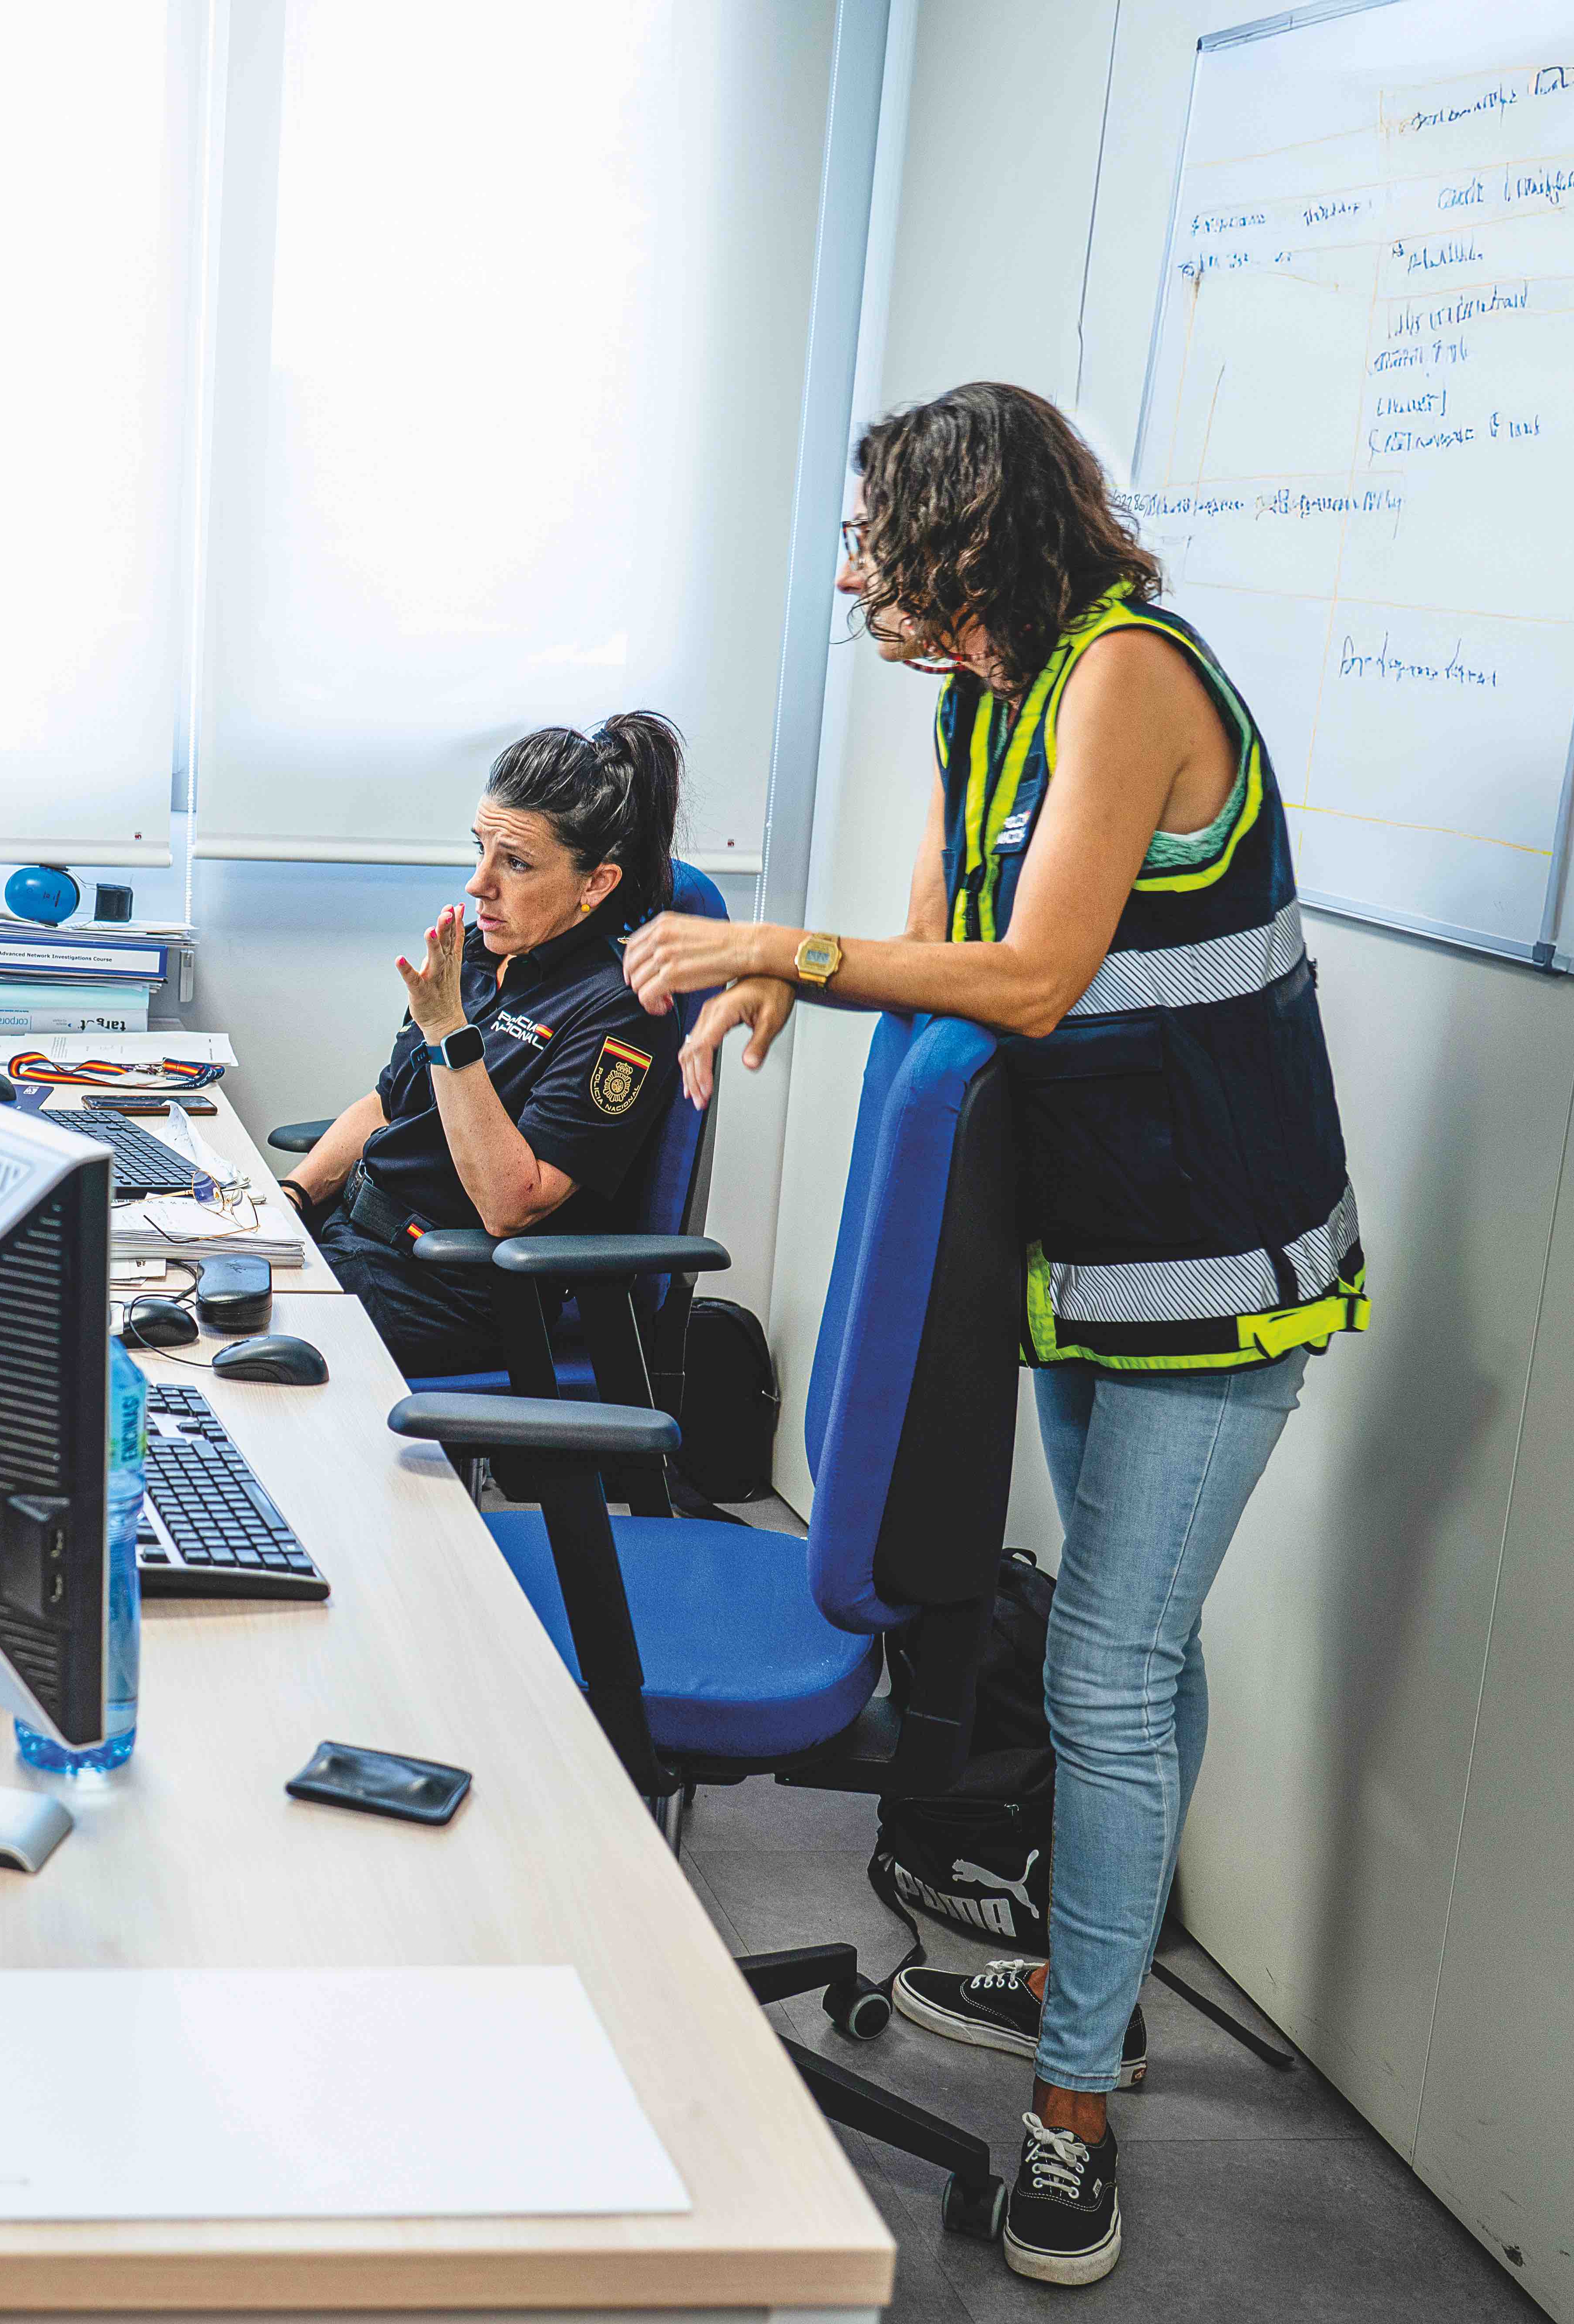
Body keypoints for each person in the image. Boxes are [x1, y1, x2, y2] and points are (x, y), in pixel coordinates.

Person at [619, 383, 1363, 2288]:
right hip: (1081, 1240)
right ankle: (1106, 1993)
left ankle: (1068, 2114)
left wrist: (769, 956)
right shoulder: (983, 700)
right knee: (1147, 1648)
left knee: (1106, 1673)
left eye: (879, 531)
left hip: (1213, 1255)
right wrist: (767, 1001)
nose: (853, 567)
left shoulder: (1125, 676)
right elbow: (945, 923)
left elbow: (1028, 979)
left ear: (964, 537)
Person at [277, 715, 687, 1375]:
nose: (478, 884)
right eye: (481, 850)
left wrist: (448, 1033)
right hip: (355, 1239)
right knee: (178, 1279)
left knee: (212, 1339)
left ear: (596, 884)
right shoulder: (474, 954)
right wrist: (290, 1199)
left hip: (450, 1291)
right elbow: (387, 1108)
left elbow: (512, 1203)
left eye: (516, 863)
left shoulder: (623, 1009)